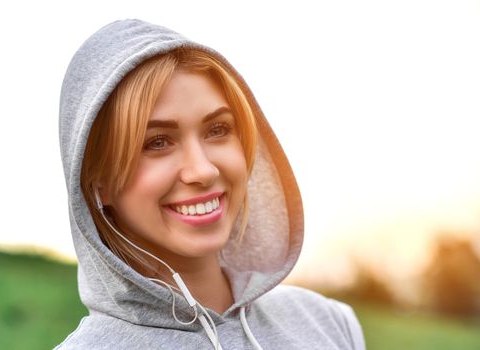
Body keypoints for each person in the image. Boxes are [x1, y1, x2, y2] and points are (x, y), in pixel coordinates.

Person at [56, 19, 366, 349]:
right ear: (97, 182)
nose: (202, 170)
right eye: (158, 142)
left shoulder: (329, 324)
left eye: (217, 130)